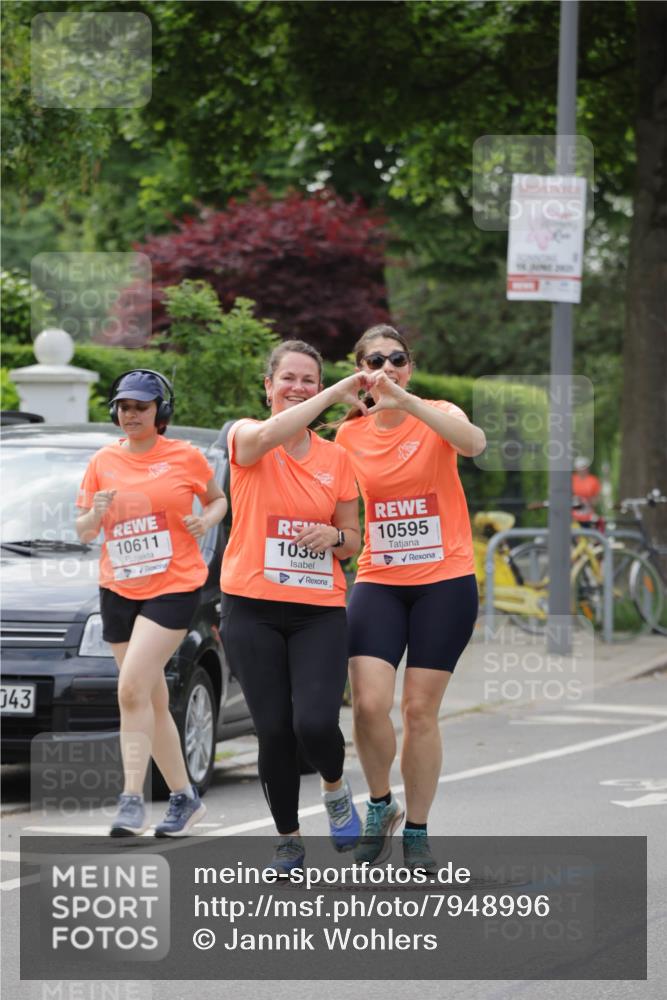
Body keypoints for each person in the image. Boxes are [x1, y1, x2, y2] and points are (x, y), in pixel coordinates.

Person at [335, 326, 486, 871]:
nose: (387, 365)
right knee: (370, 702)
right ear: (360, 369)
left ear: (409, 366)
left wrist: (410, 404)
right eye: (376, 359)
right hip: (380, 576)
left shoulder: (437, 413)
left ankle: (418, 830)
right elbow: (326, 495)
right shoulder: (349, 436)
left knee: (419, 709)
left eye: (397, 358)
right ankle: (381, 804)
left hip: (444, 580)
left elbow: (475, 445)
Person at [219, 340, 368, 873]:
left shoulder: (337, 459)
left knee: (313, 722)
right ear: (268, 385)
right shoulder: (245, 436)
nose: (299, 387)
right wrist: (333, 394)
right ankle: (287, 839)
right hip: (251, 606)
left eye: (310, 379)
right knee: (275, 729)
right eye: (290, 378)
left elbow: (354, 541)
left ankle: (334, 787)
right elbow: (269, 433)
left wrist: (332, 535)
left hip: (317, 611)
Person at [75, 369, 227, 837]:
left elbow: (218, 499)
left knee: (130, 690)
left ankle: (131, 800)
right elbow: (83, 530)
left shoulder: (185, 457)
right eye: (123, 406)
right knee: (152, 699)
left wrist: (207, 520)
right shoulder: (102, 460)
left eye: (141, 406)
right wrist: (96, 512)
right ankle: (184, 797)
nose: (131, 414)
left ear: (160, 412)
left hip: (173, 585)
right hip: (118, 587)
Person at [571, 457, 601, 524]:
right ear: (576, 469)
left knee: (587, 533)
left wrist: (590, 502)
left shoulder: (593, 480)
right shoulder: (571, 479)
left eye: (585, 467)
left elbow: (597, 497)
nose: (583, 469)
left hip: (588, 515)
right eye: (580, 467)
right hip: (572, 516)